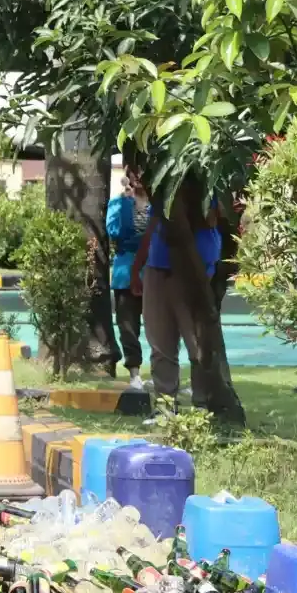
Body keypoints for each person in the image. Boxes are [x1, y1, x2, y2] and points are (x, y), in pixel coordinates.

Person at [130, 176, 221, 412]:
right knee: (160, 343)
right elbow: (153, 223)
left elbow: (211, 219)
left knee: (198, 345)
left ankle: (202, 407)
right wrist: (137, 265)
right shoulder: (160, 177)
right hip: (157, 266)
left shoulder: (206, 174)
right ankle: (164, 408)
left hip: (195, 268)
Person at [106, 170, 150, 390]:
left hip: (155, 271)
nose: (139, 177)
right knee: (128, 326)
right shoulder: (119, 203)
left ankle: (164, 373)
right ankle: (134, 373)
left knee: (161, 326)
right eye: (134, 174)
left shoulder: (158, 204)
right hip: (126, 272)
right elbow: (114, 232)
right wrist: (125, 201)